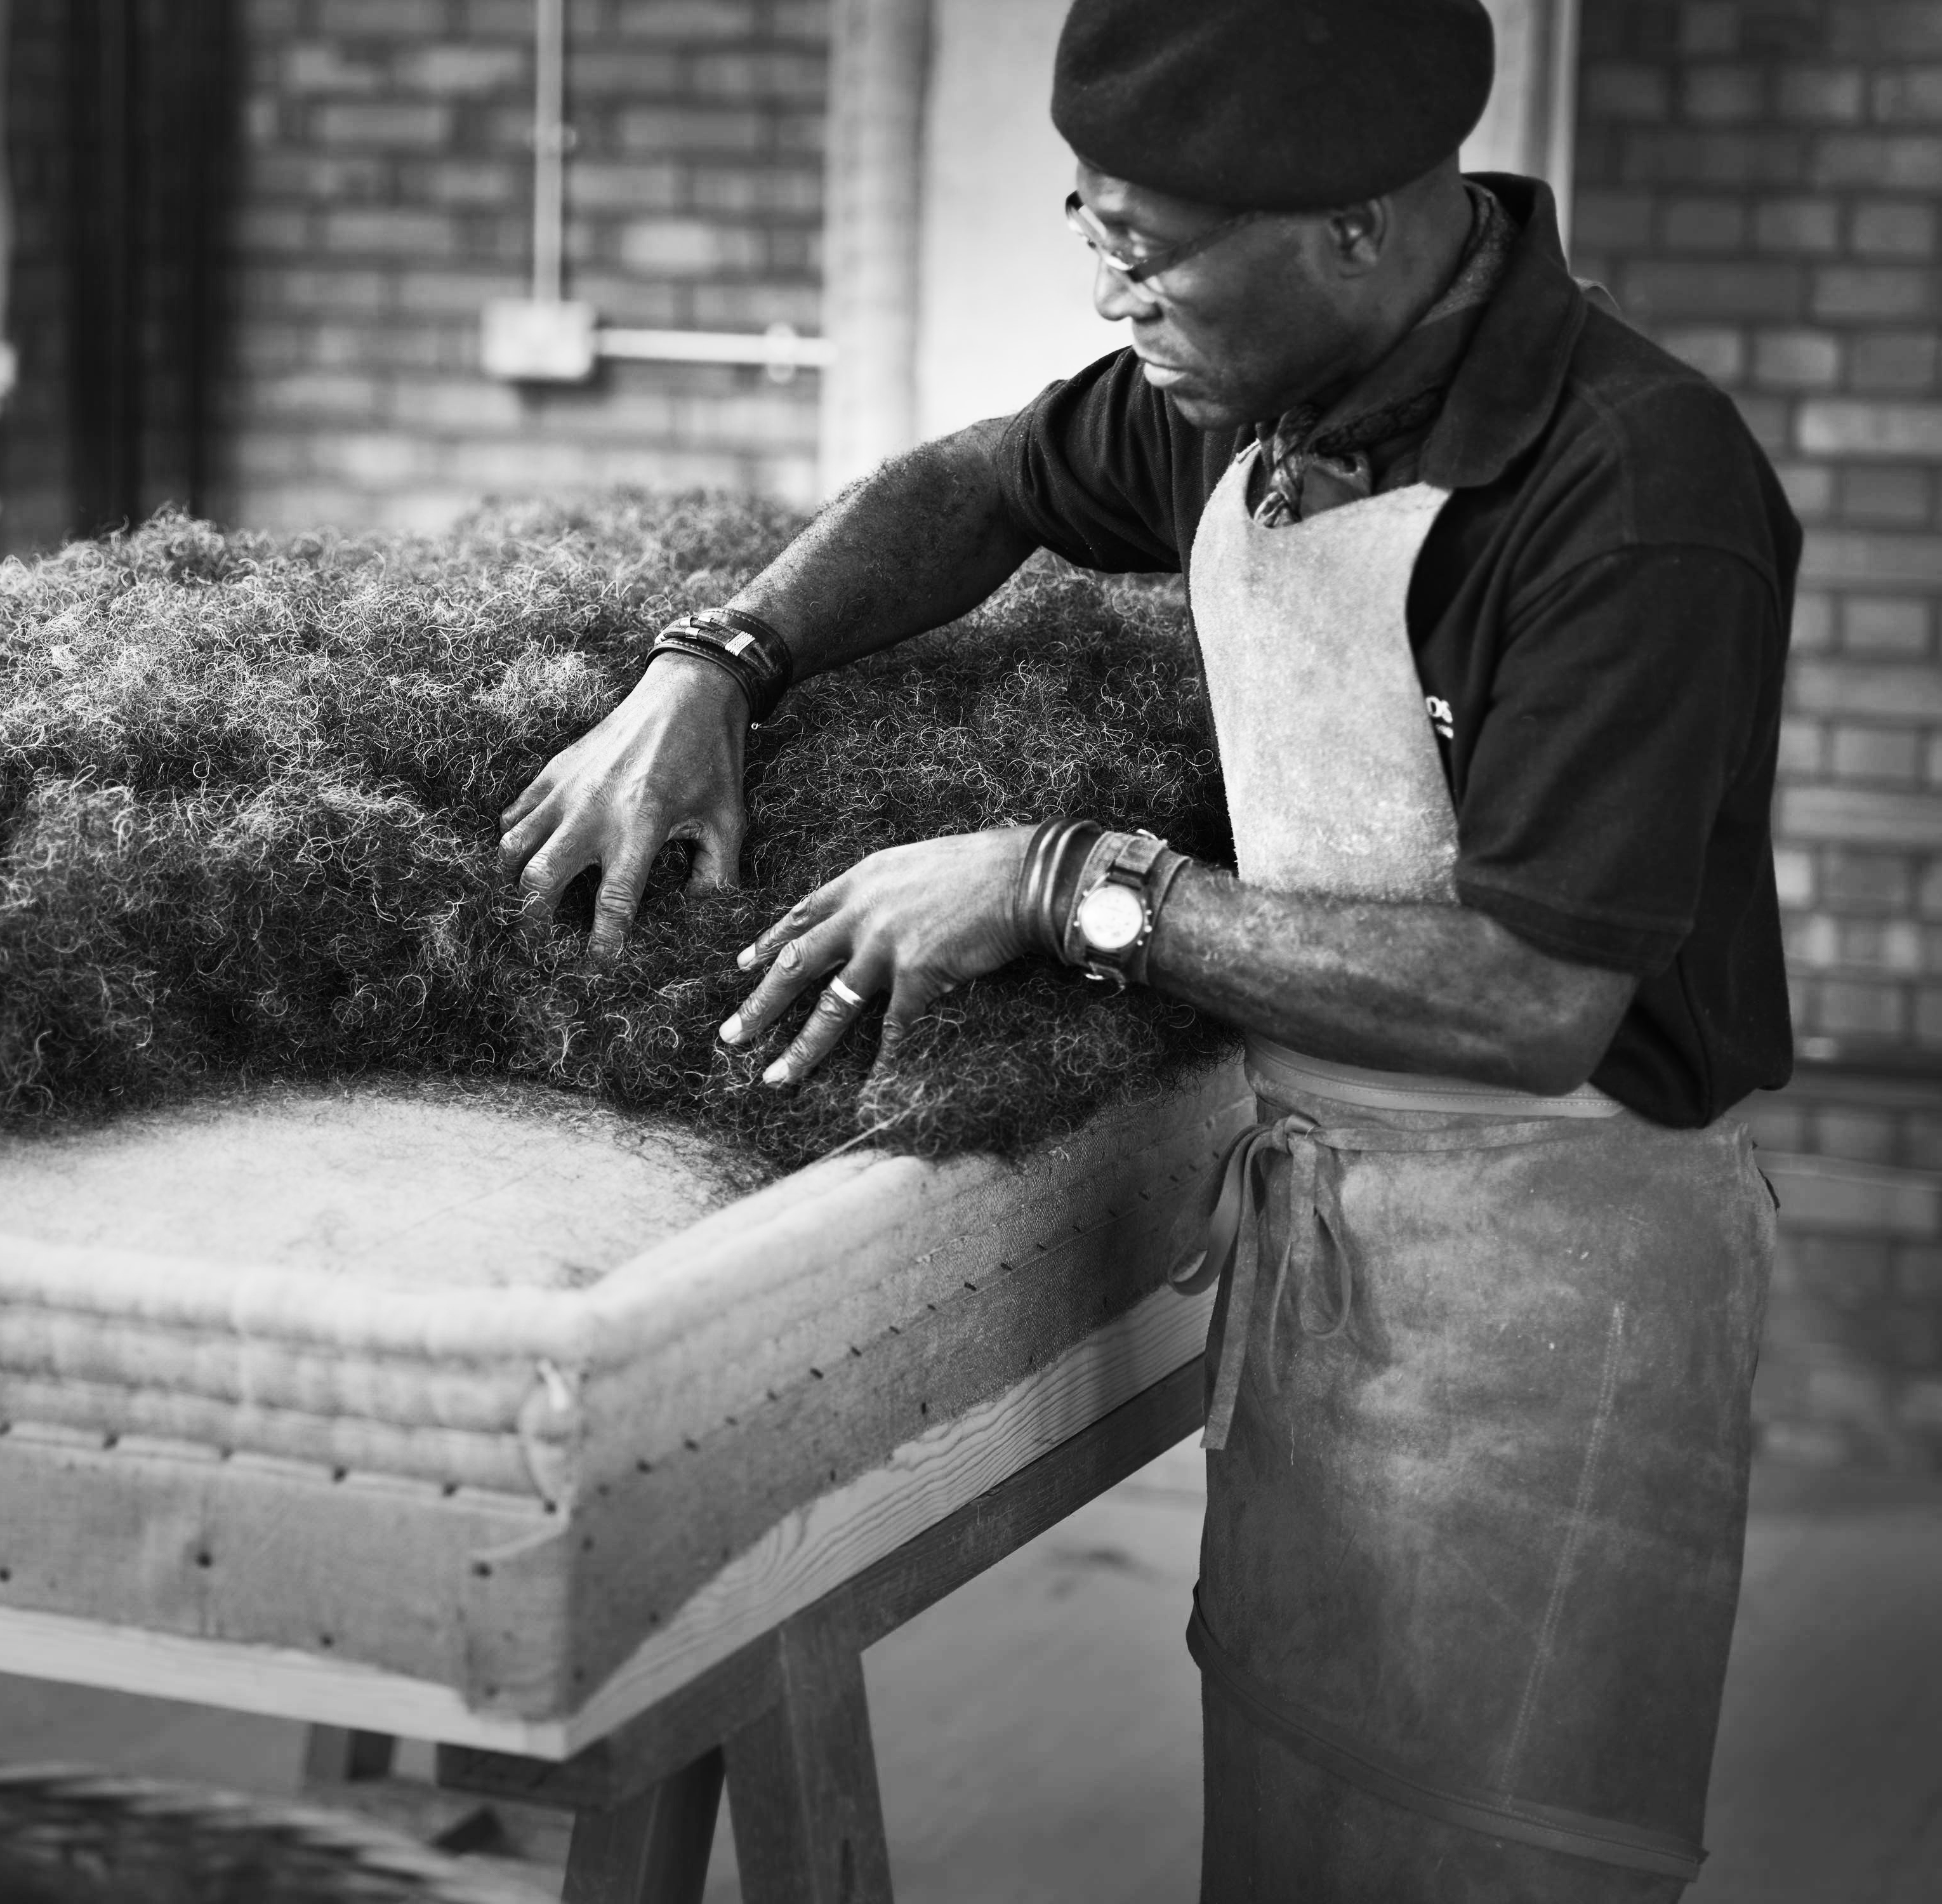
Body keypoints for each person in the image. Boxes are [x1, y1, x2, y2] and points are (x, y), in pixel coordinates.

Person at [499, 0, 1796, 1896]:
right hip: (1331, 1239)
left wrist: (1064, 885)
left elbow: (1531, 998)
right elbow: (978, 487)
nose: (1114, 281)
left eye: (1157, 244)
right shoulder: (1259, 403)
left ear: (1356, 224)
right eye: (1088, 222)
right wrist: (720, 662)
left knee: (1491, 1842)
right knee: (1295, 1798)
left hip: (1563, 1282)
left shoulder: (1628, 489)